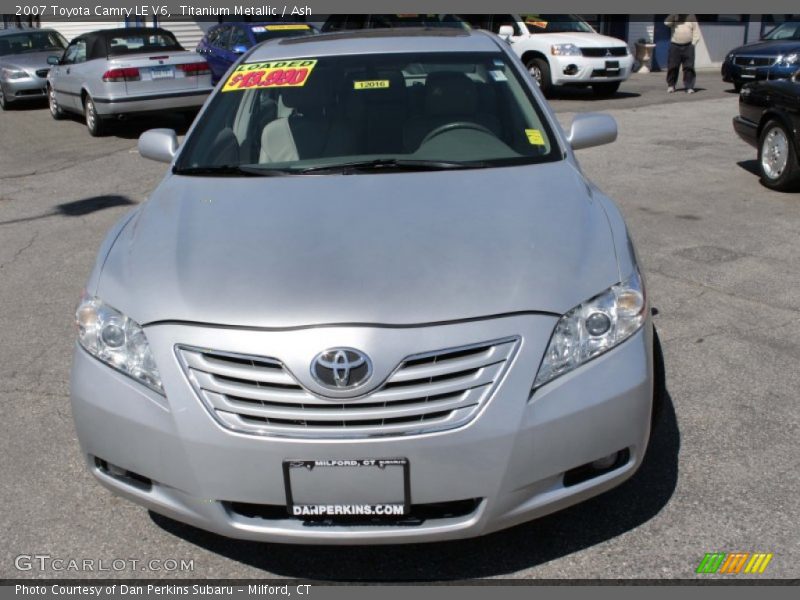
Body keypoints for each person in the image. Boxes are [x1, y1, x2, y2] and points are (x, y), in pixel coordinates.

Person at [664, 14, 700, 94]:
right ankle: (671, 85)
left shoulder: (691, 16)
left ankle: (689, 87)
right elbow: (666, 23)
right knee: (672, 66)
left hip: (688, 46)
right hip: (675, 45)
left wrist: (693, 44)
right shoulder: (674, 16)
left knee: (689, 67)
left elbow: (696, 31)